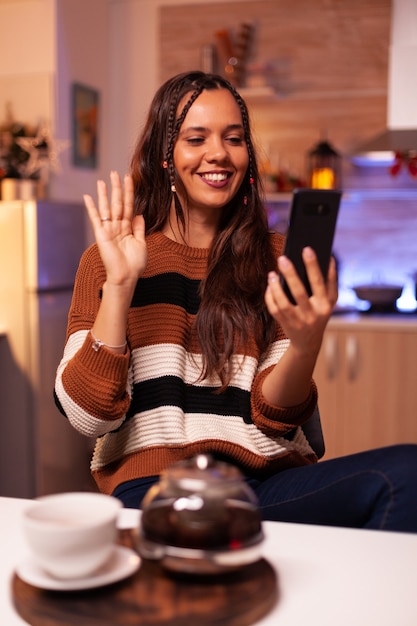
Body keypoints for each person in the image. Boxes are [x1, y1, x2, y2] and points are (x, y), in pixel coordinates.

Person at [55, 71, 417, 532]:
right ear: (166, 156)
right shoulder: (108, 258)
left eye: (234, 138)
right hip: (155, 487)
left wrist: (306, 345)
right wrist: (122, 286)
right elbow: (87, 418)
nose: (219, 153)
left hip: (262, 484)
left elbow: (274, 418)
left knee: (404, 476)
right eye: (196, 138)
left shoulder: (275, 256)